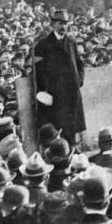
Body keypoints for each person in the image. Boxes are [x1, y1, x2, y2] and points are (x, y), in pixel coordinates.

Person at [34, 9, 86, 145]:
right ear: (52, 25)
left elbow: (80, 64)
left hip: (72, 93)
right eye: (59, 24)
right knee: (58, 130)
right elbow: (38, 72)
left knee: (73, 129)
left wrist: (79, 80)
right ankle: (61, 152)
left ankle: (72, 151)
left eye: (65, 24)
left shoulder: (71, 42)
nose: (63, 27)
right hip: (55, 95)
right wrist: (43, 92)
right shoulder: (43, 44)